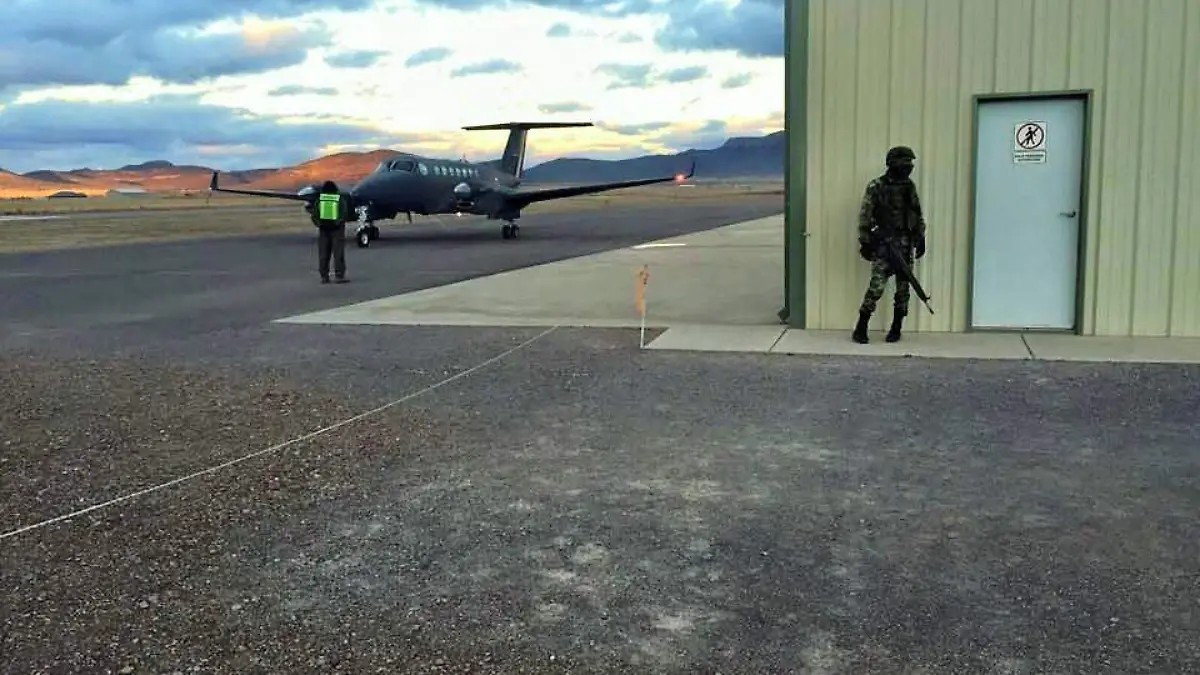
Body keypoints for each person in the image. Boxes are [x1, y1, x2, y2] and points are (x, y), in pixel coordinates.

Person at [852, 146, 926, 344]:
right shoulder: (876, 186)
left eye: (910, 163)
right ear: (893, 163)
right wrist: (865, 242)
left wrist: (921, 237)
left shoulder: (909, 187)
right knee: (876, 288)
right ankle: (861, 326)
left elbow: (917, 213)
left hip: (905, 246)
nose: (909, 167)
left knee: (903, 290)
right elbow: (865, 216)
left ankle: (896, 328)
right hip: (885, 247)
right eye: (905, 163)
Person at [312, 180, 348, 284]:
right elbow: (344, 213)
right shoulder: (339, 199)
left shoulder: (320, 200)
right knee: (338, 253)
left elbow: (314, 215)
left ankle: (324, 277)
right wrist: (337, 223)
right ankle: (339, 276)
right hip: (337, 230)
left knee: (323, 254)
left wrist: (320, 224)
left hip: (323, 230)